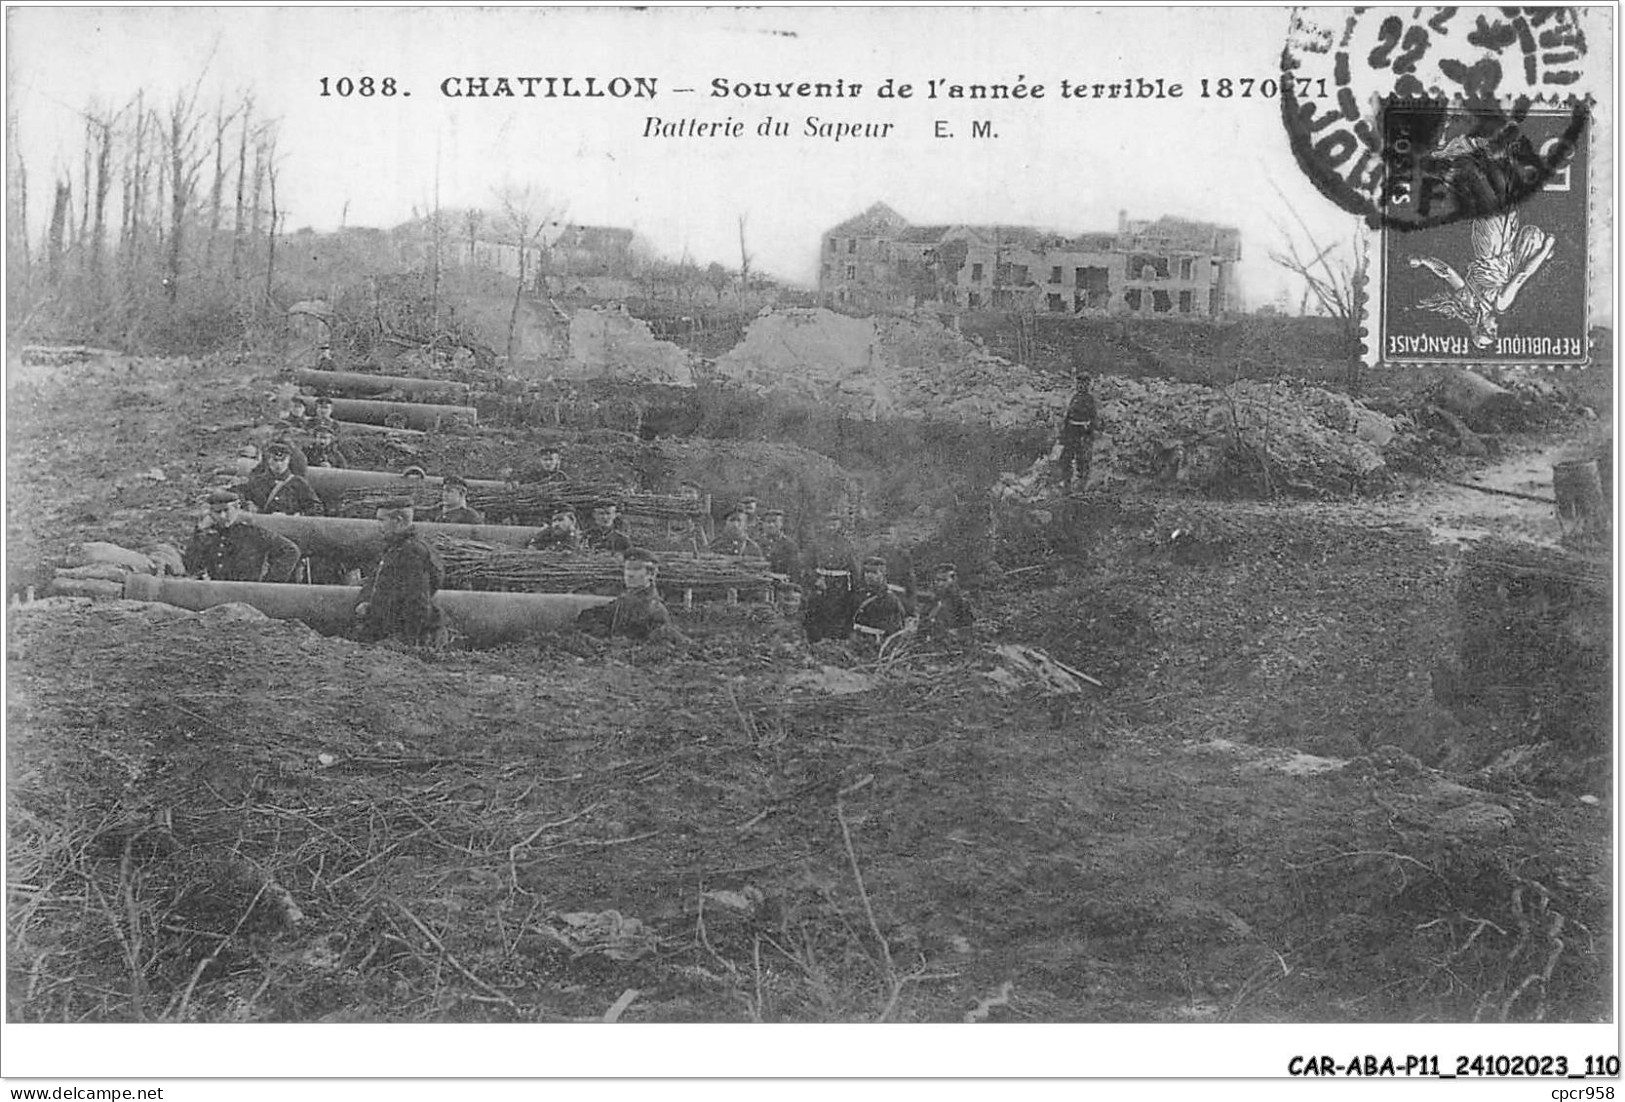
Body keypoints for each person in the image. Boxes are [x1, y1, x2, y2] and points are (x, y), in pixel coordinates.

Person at [353, 497, 446, 647]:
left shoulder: (412, 552)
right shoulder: (395, 547)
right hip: (386, 628)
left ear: (398, 520)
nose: (378, 526)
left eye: (382, 520)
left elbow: (417, 602)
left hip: (402, 635)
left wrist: (404, 641)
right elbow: (377, 583)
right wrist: (365, 602)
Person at [182, 488, 302, 582]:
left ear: (237, 508)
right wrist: (199, 531)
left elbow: (290, 551)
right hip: (218, 592)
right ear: (211, 513)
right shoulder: (208, 534)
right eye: (218, 512)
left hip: (248, 594)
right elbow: (191, 566)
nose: (223, 516)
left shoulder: (254, 533)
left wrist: (270, 583)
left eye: (226, 510)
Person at [577, 547, 681, 642]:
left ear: (650, 574)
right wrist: (603, 633)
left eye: (636, 569)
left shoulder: (655, 609)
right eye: (627, 568)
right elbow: (592, 616)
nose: (629, 574)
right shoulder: (623, 601)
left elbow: (661, 646)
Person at [801, 510, 860, 643]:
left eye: (835, 524)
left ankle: (836, 641)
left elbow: (854, 568)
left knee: (839, 612)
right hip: (821, 584)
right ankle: (817, 641)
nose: (832, 527)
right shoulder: (816, 543)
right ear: (824, 525)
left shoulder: (847, 544)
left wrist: (855, 588)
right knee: (818, 612)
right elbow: (806, 565)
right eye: (829, 524)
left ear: (840, 525)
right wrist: (815, 579)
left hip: (840, 585)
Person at [239, 441, 324, 515]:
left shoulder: (298, 483)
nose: (278, 465)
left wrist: (298, 515)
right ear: (269, 460)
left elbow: (317, 508)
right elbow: (239, 496)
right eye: (275, 460)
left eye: (282, 460)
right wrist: (248, 505)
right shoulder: (257, 482)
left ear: (288, 460)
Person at [1057, 371, 1099, 496]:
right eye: (1079, 383)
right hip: (1071, 431)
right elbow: (1068, 416)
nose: (1081, 386)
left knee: (1082, 459)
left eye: (1084, 383)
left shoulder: (1090, 399)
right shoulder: (1074, 398)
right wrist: (1063, 434)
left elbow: (1093, 419)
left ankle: (1081, 485)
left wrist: (1089, 435)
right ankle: (1067, 483)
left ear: (1088, 385)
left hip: (1082, 432)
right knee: (1066, 458)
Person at [852, 556, 909, 645]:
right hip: (856, 643)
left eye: (874, 572)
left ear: (883, 574)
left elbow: (896, 631)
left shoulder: (890, 599)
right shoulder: (859, 594)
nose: (869, 576)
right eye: (867, 572)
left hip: (877, 645)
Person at [921, 562, 975, 637]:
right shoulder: (930, 604)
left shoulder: (962, 604)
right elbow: (921, 630)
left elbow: (968, 631)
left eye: (944, 580)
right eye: (937, 580)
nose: (939, 584)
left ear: (953, 580)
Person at [759, 508, 800, 579]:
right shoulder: (757, 543)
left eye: (774, 522)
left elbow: (793, 573)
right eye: (768, 522)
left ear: (782, 524)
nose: (771, 525)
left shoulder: (789, 545)